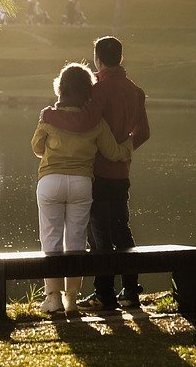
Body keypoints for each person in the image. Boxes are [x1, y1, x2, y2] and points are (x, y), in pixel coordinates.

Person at [40, 35, 150, 310]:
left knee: (98, 235)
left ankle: (105, 293)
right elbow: (143, 133)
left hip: (97, 170)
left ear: (98, 59)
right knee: (122, 231)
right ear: (121, 58)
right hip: (121, 172)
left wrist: (51, 116)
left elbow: (85, 121)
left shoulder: (98, 89)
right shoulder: (136, 91)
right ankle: (130, 290)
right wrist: (125, 150)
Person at [31, 62, 131, 316]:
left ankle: (52, 298)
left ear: (60, 88)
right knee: (76, 241)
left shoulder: (49, 116)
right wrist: (129, 144)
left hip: (50, 182)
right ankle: (72, 300)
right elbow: (113, 152)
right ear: (88, 91)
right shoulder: (96, 123)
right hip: (81, 184)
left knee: (50, 239)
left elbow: (37, 148)